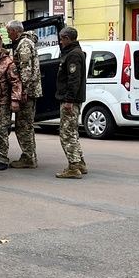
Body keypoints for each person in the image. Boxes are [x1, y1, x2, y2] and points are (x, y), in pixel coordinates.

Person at [6, 21, 41, 169]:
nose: (8, 35)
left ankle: (28, 157)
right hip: (30, 91)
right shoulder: (24, 42)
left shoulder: (24, 44)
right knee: (27, 125)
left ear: (15, 31)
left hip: (27, 92)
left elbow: (25, 70)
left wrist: (22, 92)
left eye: (9, 32)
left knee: (23, 126)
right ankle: (30, 155)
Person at [55, 27, 87, 179]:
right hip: (72, 100)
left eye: (62, 39)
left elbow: (74, 79)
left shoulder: (73, 55)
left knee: (66, 134)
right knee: (72, 132)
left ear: (67, 38)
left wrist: (68, 100)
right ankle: (79, 162)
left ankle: (73, 166)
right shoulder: (74, 52)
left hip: (70, 101)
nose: (60, 42)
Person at [0, 38, 22, 171]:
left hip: (2, 102)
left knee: (1, 131)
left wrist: (15, 99)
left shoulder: (8, 63)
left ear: (1, 49)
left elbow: (15, 82)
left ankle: (2, 159)